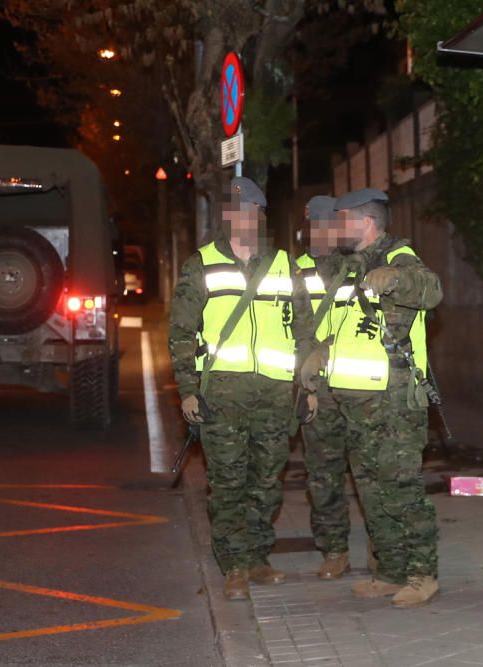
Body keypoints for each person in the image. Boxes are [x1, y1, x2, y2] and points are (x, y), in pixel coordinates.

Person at [168, 176, 315, 601]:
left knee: (266, 481)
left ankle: (257, 557)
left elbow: (305, 331)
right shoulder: (202, 264)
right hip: (222, 395)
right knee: (228, 482)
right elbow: (180, 330)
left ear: (260, 216)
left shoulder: (285, 265)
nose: (242, 219)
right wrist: (187, 389)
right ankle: (232, 564)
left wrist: (309, 386)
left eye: (250, 211)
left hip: (273, 395)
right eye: (235, 212)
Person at [299, 188, 442, 608]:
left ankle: (422, 572)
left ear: (364, 223)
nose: (334, 228)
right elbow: (347, 325)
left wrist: (397, 279)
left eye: (341, 220)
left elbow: (430, 289)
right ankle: (390, 571)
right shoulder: (348, 267)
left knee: (401, 489)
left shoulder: (399, 256)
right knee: (372, 492)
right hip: (354, 402)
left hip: (392, 402)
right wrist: (320, 353)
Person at [296, 195, 354, 579]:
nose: (320, 233)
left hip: (361, 385)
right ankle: (334, 550)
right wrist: (307, 386)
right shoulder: (293, 271)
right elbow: (292, 330)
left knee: (370, 472)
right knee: (323, 474)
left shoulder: (358, 265)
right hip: (317, 388)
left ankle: (385, 549)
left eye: (326, 225)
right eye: (313, 225)